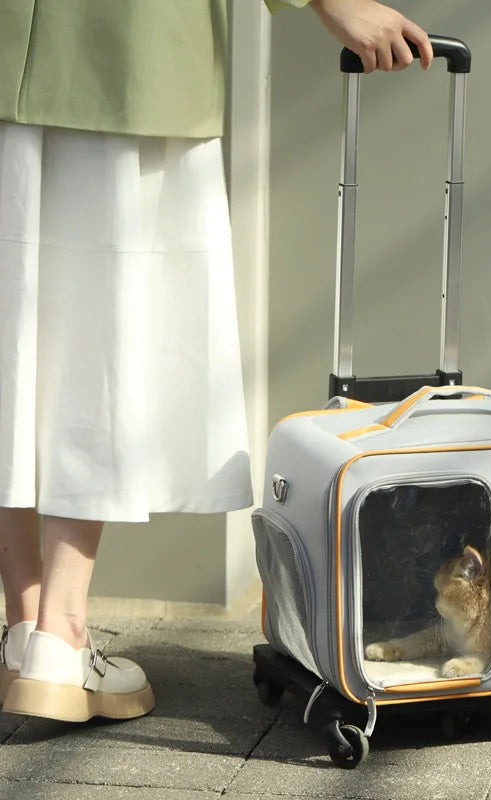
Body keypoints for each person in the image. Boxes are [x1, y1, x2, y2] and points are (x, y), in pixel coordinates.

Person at [0, 0, 432, 723]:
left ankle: (25, 623)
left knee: (14, 323)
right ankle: (58, 633)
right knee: (103, 330)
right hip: (126, 44)